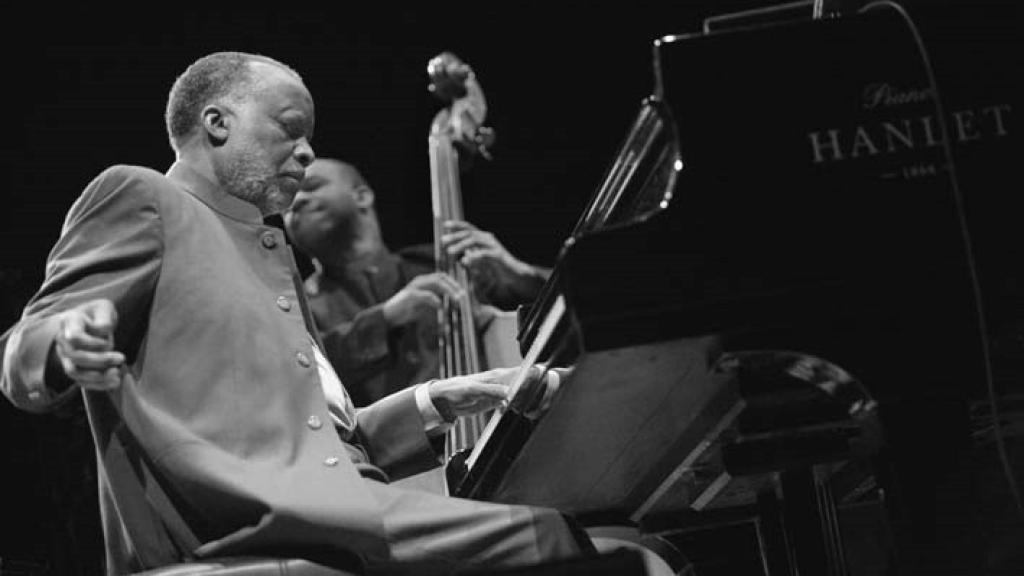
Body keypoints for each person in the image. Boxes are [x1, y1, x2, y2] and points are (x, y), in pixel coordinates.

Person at [0, 51, 591, 575]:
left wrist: (435, 400)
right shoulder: (144, 196)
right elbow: (22, 348)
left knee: (597, 535)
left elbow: (326, 441)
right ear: (217, 122)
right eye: (289, 130)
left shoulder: (270, 251)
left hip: (334, 512)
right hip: (270, 525)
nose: (307, 152)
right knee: (570, 540)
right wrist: (63, 338)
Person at [285, 157, 550, 406]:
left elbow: (571, 306)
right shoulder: (293, 306)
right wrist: (385, 318)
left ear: (362, 196)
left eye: (310, 187)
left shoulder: (441, 262)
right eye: (287, 201)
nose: (296, 201)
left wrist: (520, 274)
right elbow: (299, 373)